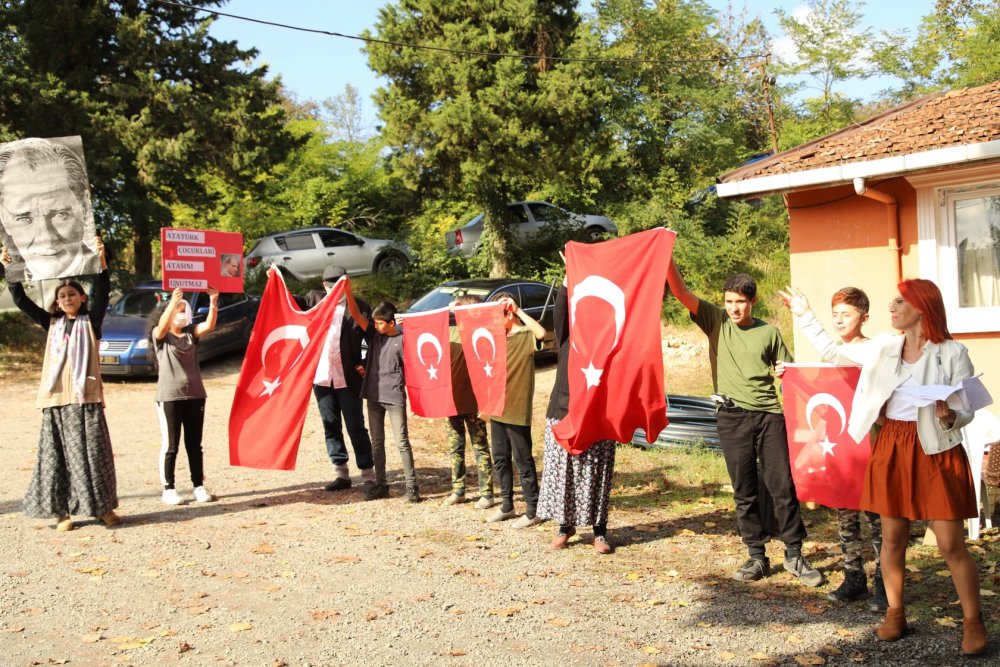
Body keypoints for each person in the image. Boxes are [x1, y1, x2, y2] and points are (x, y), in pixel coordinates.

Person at [781, 280, 987, 655]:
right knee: (892, 539)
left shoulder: (954, 352)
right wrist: (805, 316)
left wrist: (951, 415)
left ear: (922, 308)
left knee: (950, 544)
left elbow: (970, 405)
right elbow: (833, 352)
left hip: (936, 449)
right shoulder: (884, 347)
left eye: (899, 302)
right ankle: (895, 613)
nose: (891, 307)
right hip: (892, 445)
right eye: (891, 302)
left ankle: (973, 623)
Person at [666, 261, 822, 587]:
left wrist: (783, 373)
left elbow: (789, 373)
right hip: (731, 417)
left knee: (783, 487)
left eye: (740, 302)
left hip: (769, 416)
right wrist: (666, 257)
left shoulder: (768, 332)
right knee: (744, 489)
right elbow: (680, 292)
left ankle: (794, 553)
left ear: (752, 302)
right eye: (729, 301)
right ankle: (757, 556)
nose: (734, 308)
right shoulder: (715, 321)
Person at [2, 239, 119, 530]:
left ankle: (102, 509)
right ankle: (62, 514)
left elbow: (103, 293)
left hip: (86, 399)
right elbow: (19, 300)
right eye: (62, 295)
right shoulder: (50, 322)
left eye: (72, 294)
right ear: (56, 301)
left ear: (82, 298)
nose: (67, 298)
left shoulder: (92, 321)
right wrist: (10, 267)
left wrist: (102, 264)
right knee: (58, 458)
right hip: (56, 400)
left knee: (94, 456)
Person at [781, 287, 886, 608]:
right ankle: (854, 576)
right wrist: (790, 376)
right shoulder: (839, 353)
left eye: (847, 315)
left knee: (878, 518)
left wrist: (804, 316)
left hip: (870, 446)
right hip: (841, 449)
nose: (840, 321)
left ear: (864, 318)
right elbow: (823, 386)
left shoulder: (872, 351)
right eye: (835, 315)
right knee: (845, 514)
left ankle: (886, 580)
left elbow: (833, 356)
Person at [536, 278, 616, 554]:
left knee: (597, 472)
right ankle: (564, 525)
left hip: (599, 414)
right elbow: (560, 312)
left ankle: (599, 531)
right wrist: (568, 283)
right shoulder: (569, 336)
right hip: (563, 409)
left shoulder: (609, 343)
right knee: (564, 472)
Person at [305, 265, 376, 492]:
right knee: (330, 425)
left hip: (349, 378)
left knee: (356, 425)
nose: (331, 290)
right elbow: (289, 306)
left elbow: (370, 338)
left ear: (346, 284)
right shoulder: (314, 301)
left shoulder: (360, 307)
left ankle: (367, 473)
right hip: (322, 378)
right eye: (327, 285)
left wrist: (363, 363)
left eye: (336, 285)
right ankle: (341, 473)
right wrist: (274, 277)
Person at [148, 286, 220, 505]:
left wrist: (214, 302)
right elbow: (160, 327)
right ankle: (168, 488)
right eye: (177, 311)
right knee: (171, 444)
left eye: (183, 310)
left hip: (195, 395)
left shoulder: (190, 333)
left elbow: (209, 325)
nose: (181, 314)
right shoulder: (161, 336)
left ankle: (198, 485)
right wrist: (173, 301)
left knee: (194, 444)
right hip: (169, 397)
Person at [486, 293, 547, 527]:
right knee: (500, 458)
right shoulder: (495, 337)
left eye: (498, 316)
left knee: (522, 459)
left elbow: (541, 333)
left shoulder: (524, 336)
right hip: (497, 405)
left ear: (509, 313)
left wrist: (519, 310)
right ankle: (507, 505)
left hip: (517, 406)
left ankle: (534, 510)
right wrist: (458, 310)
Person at [0, 138, 98, 282]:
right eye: (24, 218)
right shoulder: (14, 279)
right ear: (4, 218)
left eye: (60, 214)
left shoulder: (97, 273)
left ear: (83, 206)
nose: (46, 238)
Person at [359, 300, 420, 502]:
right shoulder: (375, 336)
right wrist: (346, 289)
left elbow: (413, 369)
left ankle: (412, 487)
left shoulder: (404, 339)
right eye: (375, 323)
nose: (376, 326)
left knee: (402, 442)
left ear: (392, 323)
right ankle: (381, 484)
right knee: (377, 443)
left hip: (394, 398)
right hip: (374, 396)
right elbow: (358, 317)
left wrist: (406, 325)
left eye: (380, 323)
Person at [443, 294, 494, 509]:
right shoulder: (450, 331)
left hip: (475, 401)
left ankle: (487, 493)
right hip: (451, 400)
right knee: (455, 447)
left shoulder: (481, 332)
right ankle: (459, 490)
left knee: (480, 446)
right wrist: (448, 311)